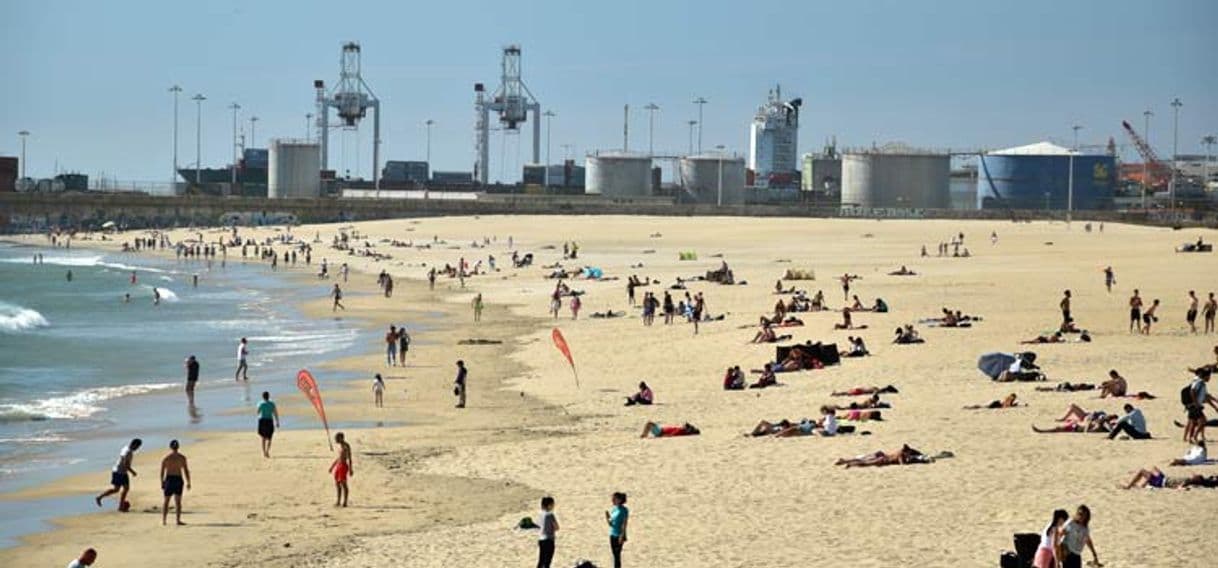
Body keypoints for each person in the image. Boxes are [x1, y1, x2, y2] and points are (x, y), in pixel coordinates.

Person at [96, 438, 141, 510]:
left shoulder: (126, 448)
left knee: (124, 489)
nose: (137, 449)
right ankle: (102, 498)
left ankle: (120, 505)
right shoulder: (128, 452)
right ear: (134, 444)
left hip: (121, 471)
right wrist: (133, 472)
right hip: (119, 472)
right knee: (117, 489)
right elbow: (125, 464)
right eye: (137, 447)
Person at [160, 439, 191, 526]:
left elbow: (162, 472)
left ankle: (164, 521)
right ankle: (177, 520)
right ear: (178, 447)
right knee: (178, 502)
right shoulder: (182, 458)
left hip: (169, 479)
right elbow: (186, 470)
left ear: (170, 447)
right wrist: (188, 482)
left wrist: (162, 482)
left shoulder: (166, 458)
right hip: (178, 479)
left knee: (166, 501)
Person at [1184, 366, 1216, 444]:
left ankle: (1190, 438)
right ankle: (1194, 436)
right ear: (1205, 376)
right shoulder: (1199, 382)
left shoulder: (1200, 382)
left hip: (1193, 405)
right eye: (1209, 377)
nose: (1209, 378)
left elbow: (1206, 396)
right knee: (1203, 421)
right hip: (1195, 406)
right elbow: (1192, 391)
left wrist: (1215, 403)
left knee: (1193, 422)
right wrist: (1196, 404)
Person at [835, 444, 927, 468]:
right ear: (906, 451)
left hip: (882, 455)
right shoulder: (901, 455)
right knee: (866, 463)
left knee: (864, 460)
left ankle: (846, 460)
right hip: (883, 460)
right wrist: (913, 461)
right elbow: (902, 464)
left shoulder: (900, 451)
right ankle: (850, 463)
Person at [327, 432, 353, 507]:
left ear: (341, 438)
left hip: (344, 466)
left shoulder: (346, 446)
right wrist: (332, 466)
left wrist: (351, 469)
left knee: (343, 484)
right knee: (337, 483)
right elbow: (339, 457)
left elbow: (350, 458)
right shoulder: (340, 446)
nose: (336, 440)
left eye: (337, 438)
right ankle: (338, 501)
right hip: (338, 465)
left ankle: (345, 502)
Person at [606, 492, 629, 568]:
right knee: (614, 554)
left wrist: (622, 536)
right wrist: (607, 517)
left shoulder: (624, 510)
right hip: (612, 534)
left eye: (614, 499)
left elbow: (624, 523)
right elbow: (611, 523)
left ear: (619, 500)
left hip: (619, 535)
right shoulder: (614, 509)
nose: (612, 500)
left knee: (617, 555)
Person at [537, 496, 559, 568]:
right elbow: (556, 527)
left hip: (541, 539)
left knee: (541, 561)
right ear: (549, 505)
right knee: (547, 562)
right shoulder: (550, 515)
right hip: (549, 540)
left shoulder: (540, 514)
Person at [257, 391, 280, 458]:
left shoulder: (260, 403)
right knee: (270, 437)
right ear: (268, 396)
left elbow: (258, 412)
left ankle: (264, 452)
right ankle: (267, 451)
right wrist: (277, 422)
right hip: (269, 420)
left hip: (262, 421)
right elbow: (275, 413)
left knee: (263, 437)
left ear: (263, 397)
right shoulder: (272, 404)